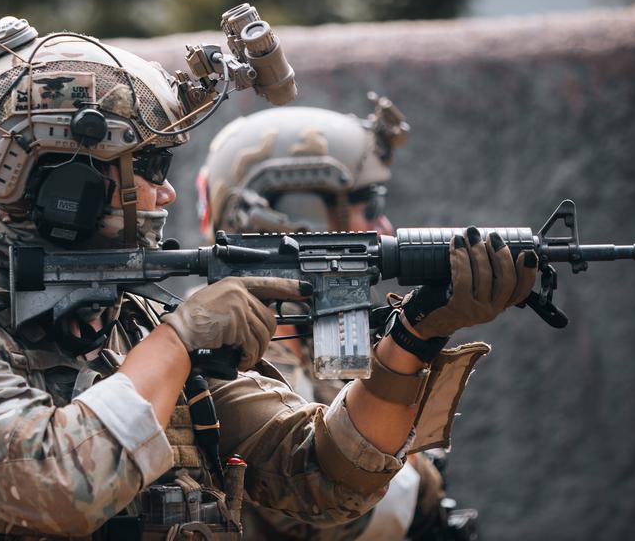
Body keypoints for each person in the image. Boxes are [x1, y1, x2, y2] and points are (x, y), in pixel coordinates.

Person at [0, 15, 537, 540]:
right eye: (149, 169)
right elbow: (63, 484)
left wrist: (411, 341)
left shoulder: (132, 332)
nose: (167, 195)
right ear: (72, 186)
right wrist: (181, 341)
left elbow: (321, 483)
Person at [196, 103, 476, 540]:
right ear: (295, 214)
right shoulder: (224, 349)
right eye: (369, 203)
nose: (382, 223)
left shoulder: (318, 331)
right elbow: (324, 509)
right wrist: (415, 340)